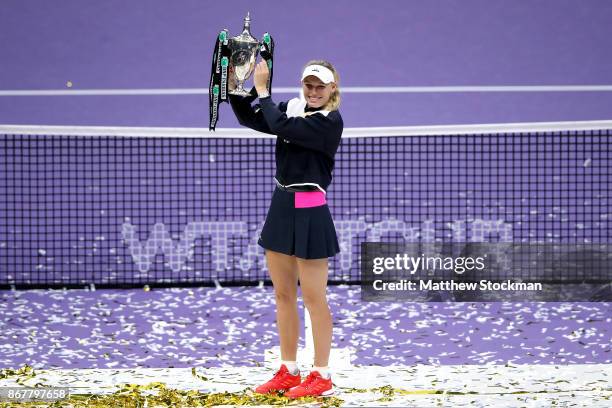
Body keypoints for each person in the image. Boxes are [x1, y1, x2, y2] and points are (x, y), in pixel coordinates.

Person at [228, 59, 343, 398]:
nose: (314, 91)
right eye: (309, 84)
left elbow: (280, 124)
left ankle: (320, 374)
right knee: (282, 294)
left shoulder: (329, 122)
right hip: (281, 204)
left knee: (313, 297)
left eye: (321, 86)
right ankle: (288, 370)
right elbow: (251, 117)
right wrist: (238, 86)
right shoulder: (294, 107)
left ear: (333, 88)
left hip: (310, 207)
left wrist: (262, 89)